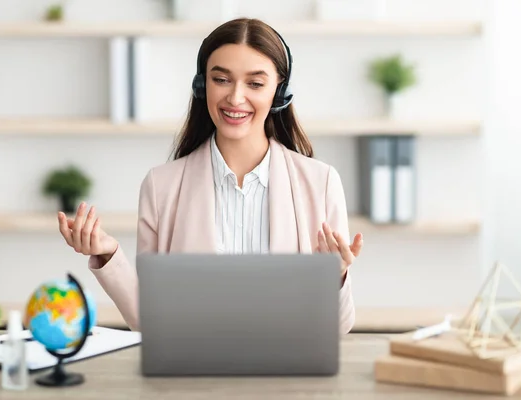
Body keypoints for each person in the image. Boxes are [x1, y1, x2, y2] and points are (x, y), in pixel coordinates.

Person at [57, 18, 364, 334]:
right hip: (194, 374)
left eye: (255, 84)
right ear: (203, 85)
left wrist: (335, 277)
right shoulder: (161, 187)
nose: (235, 98)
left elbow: (338, 329)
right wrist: (108, 255)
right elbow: (149, 322)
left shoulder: (321, 183)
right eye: (222, 79)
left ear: (279, 90)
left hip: (284, 375)